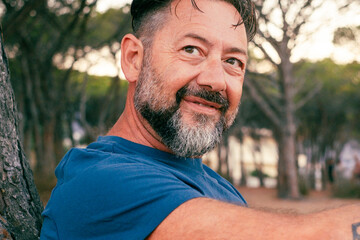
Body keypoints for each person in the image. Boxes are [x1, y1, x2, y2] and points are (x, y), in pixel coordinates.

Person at [41, 0, 360, 239]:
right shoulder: (98, 183)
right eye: (192, 49)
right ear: (133, 59)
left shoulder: (218, 187)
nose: (217, 80)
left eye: (233, 61)